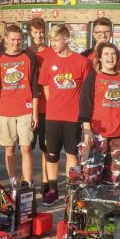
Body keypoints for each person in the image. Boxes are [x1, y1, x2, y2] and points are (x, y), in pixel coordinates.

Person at [38, 24, 91, 203]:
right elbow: (46, 86)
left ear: (66, 39)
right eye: (51, 40)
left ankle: (71, 190)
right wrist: (54, 104)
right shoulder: (48, 62)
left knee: (71, 154)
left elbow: (87, 91)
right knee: (51, 154)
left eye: (56, 40)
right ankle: (52, 190)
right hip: (52, 116)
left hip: (73, 117)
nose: (53, 43)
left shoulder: (82, 62)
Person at [79, 42, 120, 184]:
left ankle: (107, 204)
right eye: (106, 54)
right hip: (97, 134)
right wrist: (87, 130)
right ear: (99, 58)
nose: (110, 57)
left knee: (113, 176)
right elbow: (85, 104)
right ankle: (90, 204)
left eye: (113, 54)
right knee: (91, 176)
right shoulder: (93, 77)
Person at [0, 25, 40, 186]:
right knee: (9, 150)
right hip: (5, 110)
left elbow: (35, 86)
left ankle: (28, 183)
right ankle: (13, 181)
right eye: (12, 39)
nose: (16, 43)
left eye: (19, 39)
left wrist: (34, 113)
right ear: (6, 39)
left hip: (25, 109)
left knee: (26, 148)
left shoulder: (29, 57)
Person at [27, 18, 53, 201]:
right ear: (29, 33)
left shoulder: (52, 53)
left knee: (46, 148)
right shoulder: (25, 53)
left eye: (41, 32)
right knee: (26, 147)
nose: (39, 35)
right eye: (35, 32)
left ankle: (45, 184)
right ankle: (28, 184)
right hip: (27, 108)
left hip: (47, 108)